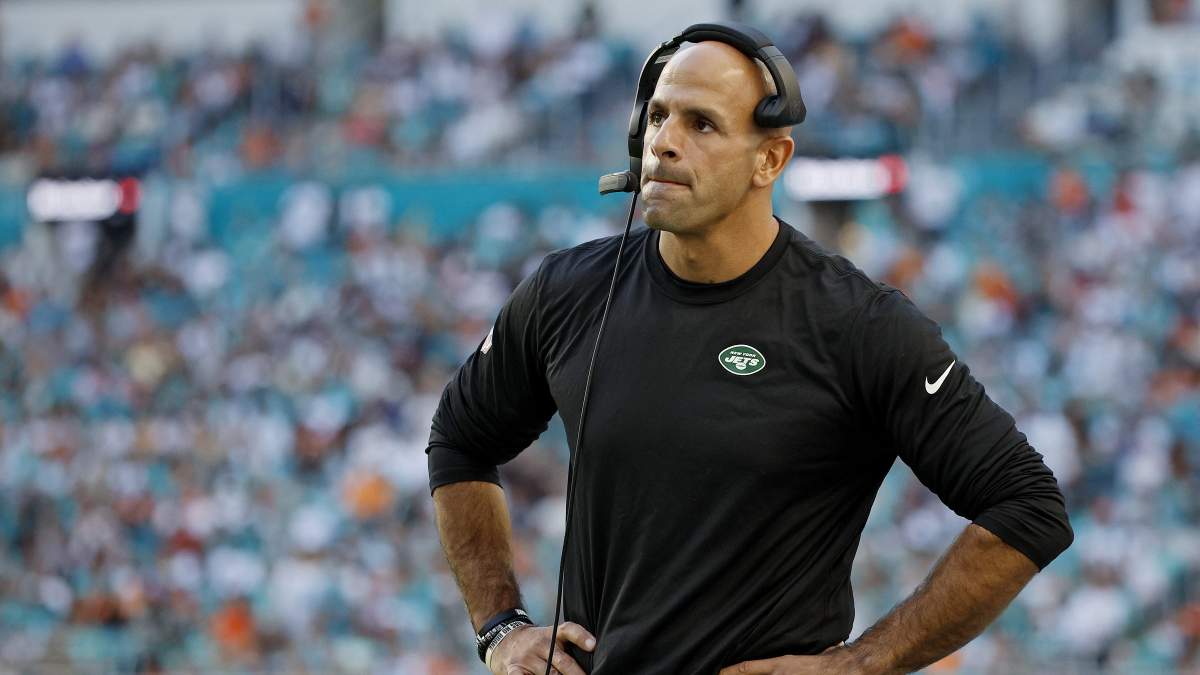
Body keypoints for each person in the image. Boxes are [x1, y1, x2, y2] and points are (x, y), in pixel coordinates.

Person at [426, 37, 1073, 675]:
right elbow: (460, 438)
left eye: (701, 123)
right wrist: (500, 626)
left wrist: (861, 663)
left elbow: (1028, 504)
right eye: (658, 116)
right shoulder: (566, 291)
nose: (664, 141)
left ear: (769, 160)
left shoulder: (859, 325)